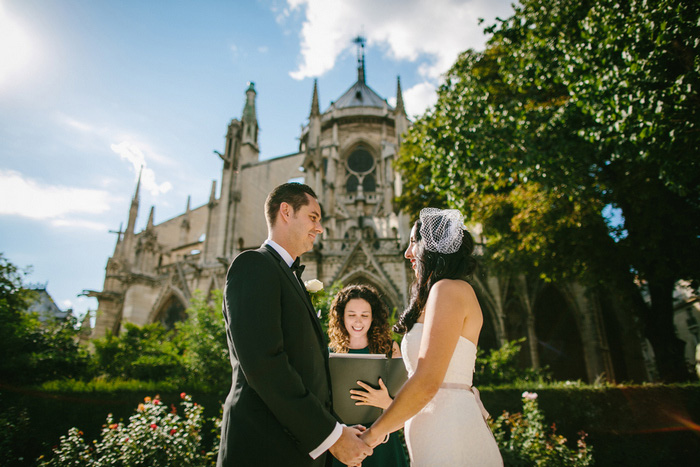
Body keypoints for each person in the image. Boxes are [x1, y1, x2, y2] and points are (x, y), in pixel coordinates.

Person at [216, 183, 372, 467]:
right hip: (263, 451)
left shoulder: (289, 277)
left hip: (295, 450)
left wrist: (340, 430)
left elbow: (305, 373)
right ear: (286, 212)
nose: (320, 228)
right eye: (313, 217)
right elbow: (265, 366)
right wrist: (333, 437)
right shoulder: (253, 265)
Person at [359, 207, 503, 466]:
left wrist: (369, 438)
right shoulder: (444, 292)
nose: (406, 253)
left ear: (432, 246)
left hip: (449, 433)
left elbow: (427, 383)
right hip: (436, 429)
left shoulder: (447, 290)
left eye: (413, 242)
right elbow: (425, 388)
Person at [327, 284, 409, 467]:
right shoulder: (327, 354)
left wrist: (385, 402)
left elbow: (408, 410)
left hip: (383, 444)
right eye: (351, 315)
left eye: (364, 315)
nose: (358, 322)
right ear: (341, 317)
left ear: (373, 318)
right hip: (344, 442)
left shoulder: (391, 351)